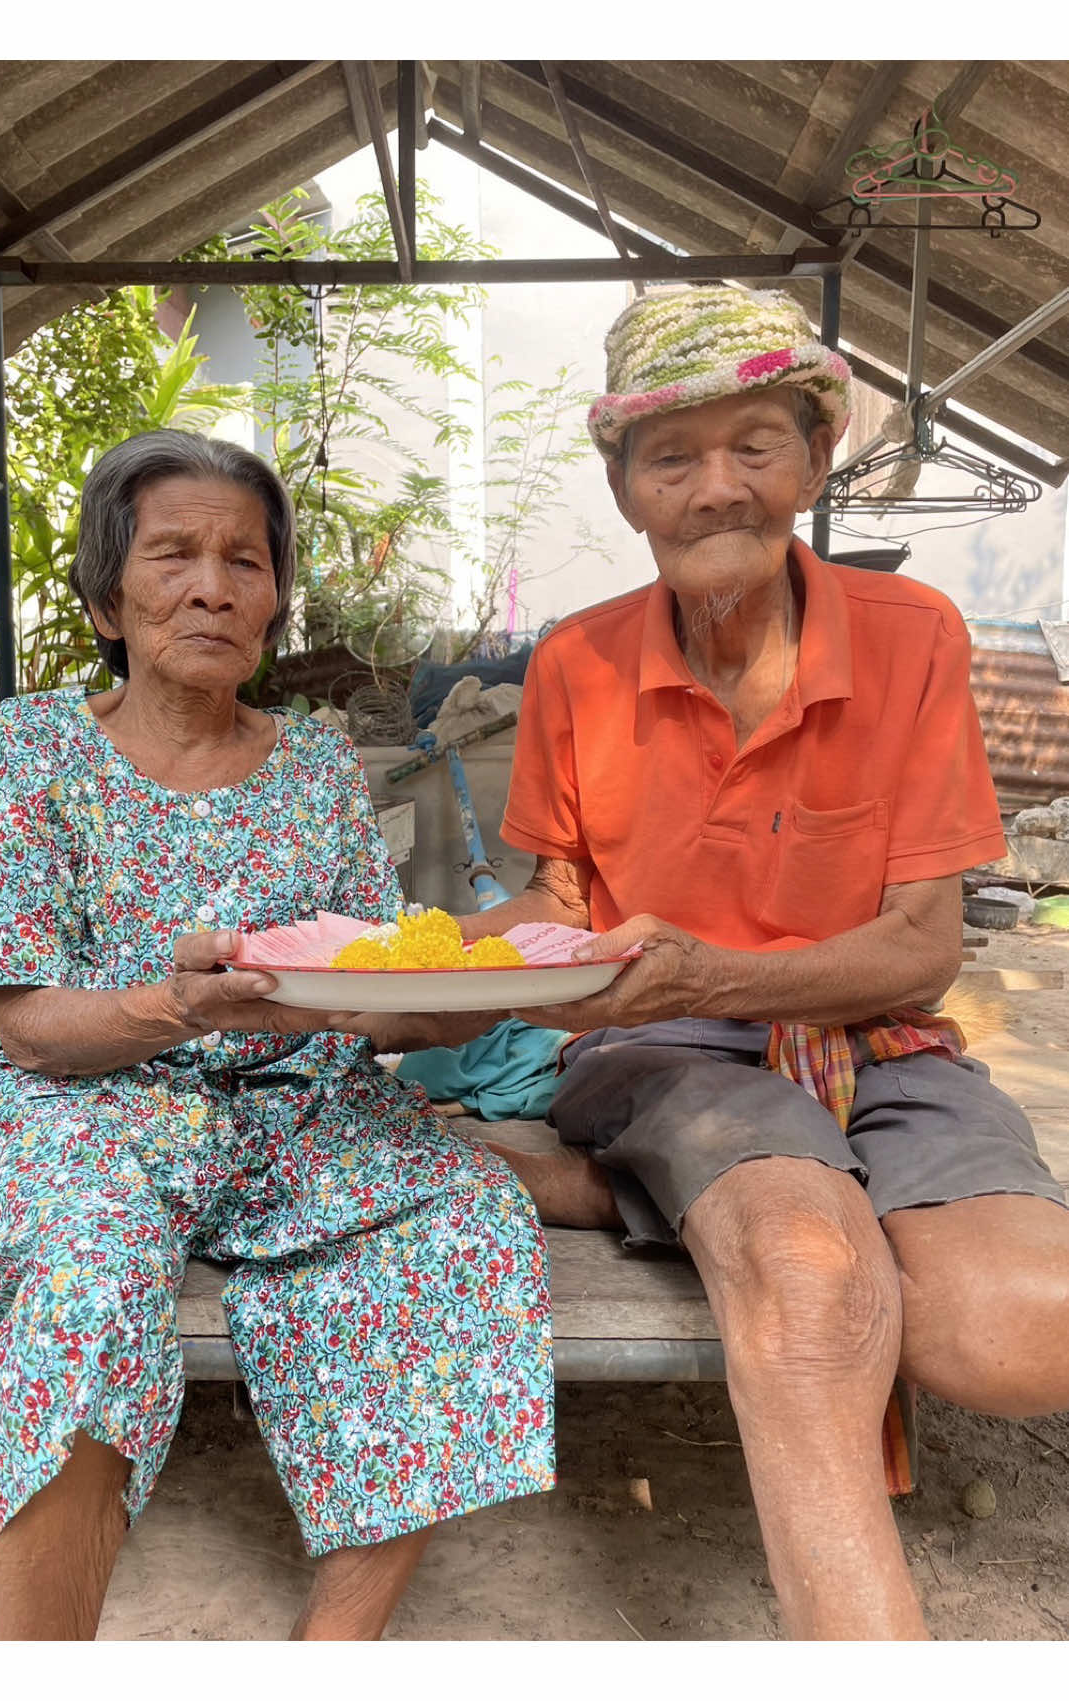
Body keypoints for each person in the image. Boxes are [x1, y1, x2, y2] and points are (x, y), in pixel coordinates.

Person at [463, 285, 1069, 1641]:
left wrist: (714, 976)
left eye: (753, 445)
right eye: (670, 456)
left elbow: (916, 949)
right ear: (623, 488)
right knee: (808, 1267)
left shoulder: (910, 639)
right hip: (662, 1052)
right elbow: (555, 898)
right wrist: (397, 982)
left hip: (875, 1038)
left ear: (812, 457)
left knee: (1015, 1329)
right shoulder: (573, 664)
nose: (715, 487)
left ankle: (597, 1187)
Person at [0, 429, 553, 1641]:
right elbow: (22, 1024)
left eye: (245, 560)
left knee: (463, 1214)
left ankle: (332, 1651)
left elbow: (358, 984)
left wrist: (494, 980)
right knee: (89, 1274)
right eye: (172, 555)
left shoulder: (315, 760)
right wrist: (178, 1005)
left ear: (272, 599)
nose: (213, 586)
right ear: (109, 596)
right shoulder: (34, 748)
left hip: (295, 1105)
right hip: (82, 1099)